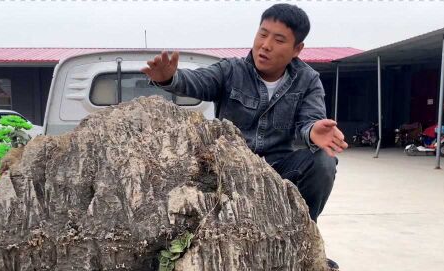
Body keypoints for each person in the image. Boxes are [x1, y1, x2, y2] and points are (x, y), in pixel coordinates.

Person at [142, 3, 348, 225]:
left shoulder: (308, 80)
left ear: (297, 49)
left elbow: (310, 120)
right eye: (262, 34)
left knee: (324, 161)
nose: (265, 45)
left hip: (278, 168)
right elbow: (199, 81)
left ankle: (305, 236)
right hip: (228, 167)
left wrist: (312, 130)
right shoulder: (231, 70)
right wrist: (169, 78)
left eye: (278, 40)